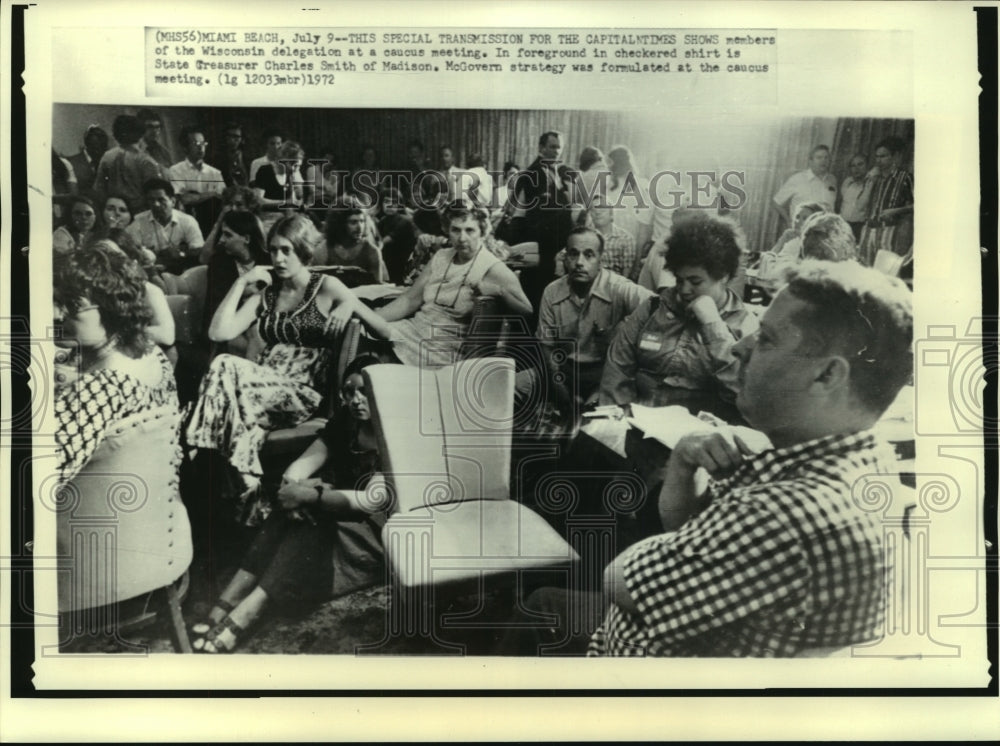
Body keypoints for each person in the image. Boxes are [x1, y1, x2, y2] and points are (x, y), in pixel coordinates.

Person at [589, 261, 912, 656]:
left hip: (645, 694)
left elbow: (619, 580)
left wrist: (665, 548)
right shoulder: (866, 462)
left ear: (828, 375)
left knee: (539, 605)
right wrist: (685, 460)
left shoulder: (782, 512)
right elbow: (688, 528)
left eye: (768, 338)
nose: (741, 347)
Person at [184, 214, 392, 524]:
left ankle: (211, 453)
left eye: (287, 250)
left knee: (224, 365)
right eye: (273, 251)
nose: (278, 259)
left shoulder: (326, 286)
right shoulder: (266, 295)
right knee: (235, 401)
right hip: (257, 392)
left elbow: (384, 331)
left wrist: (352, 304)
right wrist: (242, 282)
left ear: (304, 250)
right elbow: (218, 333)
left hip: (301, 393)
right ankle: (250, 486)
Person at [190, 354, 390, 653]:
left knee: (313, 518)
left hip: (373, 530)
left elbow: (371, 501)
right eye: (349, 391)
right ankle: (231, 597)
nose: (356, 399)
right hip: (341, 509)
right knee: (295, 511)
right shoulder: (346, 423)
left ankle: (248, 610)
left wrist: (312, 496)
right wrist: (296, 491)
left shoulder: (394, 432)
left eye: (365, 391)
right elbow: (300, 468)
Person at [599, 211, 759, 422]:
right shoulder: (652, 308)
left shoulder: (745, 325)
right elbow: (617, 371)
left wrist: (713, 326)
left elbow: (745, 394)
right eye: (679, 280)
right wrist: (616, 422)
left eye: (695, 282)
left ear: (724, 277)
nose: (683, 290)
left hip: (702, 436)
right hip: (638, 423)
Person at [52, 243, 179, 486]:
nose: (56, 314)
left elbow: (36, 473)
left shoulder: (100, 387)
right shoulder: (152, 355)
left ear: (112, 307)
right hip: (152, 509)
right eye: (54, 300)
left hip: (83, 515)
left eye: (73, 304)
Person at [377, 203, 532, 368]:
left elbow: (527, 311)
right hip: (413, 331)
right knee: (363, 336)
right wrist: (375, 317)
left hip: (442, 349)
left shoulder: (493, 268)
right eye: (455, 230)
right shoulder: (441, 256)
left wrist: (500, 292)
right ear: (447, 230)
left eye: (470, 230)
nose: (462, 238)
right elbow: (410, 300)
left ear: (482, 232)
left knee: (371, 349)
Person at [520, 226, 652, 419]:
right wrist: (563, 395)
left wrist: (632, 336)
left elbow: (657, 306)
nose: (580, 263)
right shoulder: (552, 291)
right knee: (510, 387)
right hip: (562, 373)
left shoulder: (618, 288)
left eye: (589, 255)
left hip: (603, 378)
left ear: (601, 260)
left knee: (593, 422)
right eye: (574, 254)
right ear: (565, 258)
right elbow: (546, 351)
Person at [126, 178, 204, 274]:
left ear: (173, 201)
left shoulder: (187, 221)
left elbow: (199, 250)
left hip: (181, 272)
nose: (156, 204)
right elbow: (132, 254)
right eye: (151, 200)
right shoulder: (138, 222)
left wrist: (181, 253)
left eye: (161, 200)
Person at [857, 136, 914, 269]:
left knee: (884, 271)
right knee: (864, 269)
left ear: (895, 156)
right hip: (868, 229)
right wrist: (870, 182)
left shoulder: (905, 178)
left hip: (889, 230)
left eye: (883, 156)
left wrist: (896, 211)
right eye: (877, 157)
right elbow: (860, 206)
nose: (879, 161)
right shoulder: (872, 177)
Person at [93, 114, 164, 214]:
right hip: (140, 213)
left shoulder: (107, 157)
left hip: (114, 212)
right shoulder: (145, 161)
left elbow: (99, 190)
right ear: (140, 133)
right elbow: (155, 193)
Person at [772, 144, 838, 227]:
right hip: (802, 230)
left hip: (825, 232)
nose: (823, 161)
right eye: (819, 157)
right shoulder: (797, 179)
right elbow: (776, 202)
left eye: (826, 158)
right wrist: (789, 221)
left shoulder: (832, 179)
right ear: (810, 161)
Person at [605, 145, 653, 251]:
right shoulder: (609, 185)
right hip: (624, 236)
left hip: (626, 236)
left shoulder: (610, 186)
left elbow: (644, 221)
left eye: (609, 163)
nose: (608, 167)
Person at [323, 201, 384, 282]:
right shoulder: (324, 249)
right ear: (340, 224)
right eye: (353, 222)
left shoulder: (372, 251)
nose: (360, 227)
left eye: (362, 221)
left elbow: (377, 288)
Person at [168, 125, 226, 210]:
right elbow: (182, 199)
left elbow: (223, 199)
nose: (200, 147)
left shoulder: (215, 173)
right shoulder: (176, 170)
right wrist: (212, 194)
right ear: (185, 147)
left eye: (203, 143)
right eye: (196, 144)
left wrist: (195, 197)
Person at [252, 140, 305, 206]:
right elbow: (259, 200)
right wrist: (284, 202)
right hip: (269, 213)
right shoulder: (265, 170)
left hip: (287, 213)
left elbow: (296, 198)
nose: (297, 170)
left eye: (299, 166)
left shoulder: (290, 174)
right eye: (295, 166)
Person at [67, 124, 109, 197]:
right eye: (96, 147)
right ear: (87, 145)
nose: (100, 151)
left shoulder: (106, 163)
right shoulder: (72, 163)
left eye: (103, 147)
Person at [837, 153, 870, 241]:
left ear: (867, 166)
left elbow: (861, 206)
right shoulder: (847, 182)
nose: (856, 168)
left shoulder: (871, 184)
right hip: (842, 225)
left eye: (860, 164)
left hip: (859, 227)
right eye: (853, 165)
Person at [217, 121, 249, 188]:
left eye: (236, 137)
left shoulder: (250, 160)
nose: (232, 140)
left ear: (242, 139)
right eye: (229, 136)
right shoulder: (217, 160)